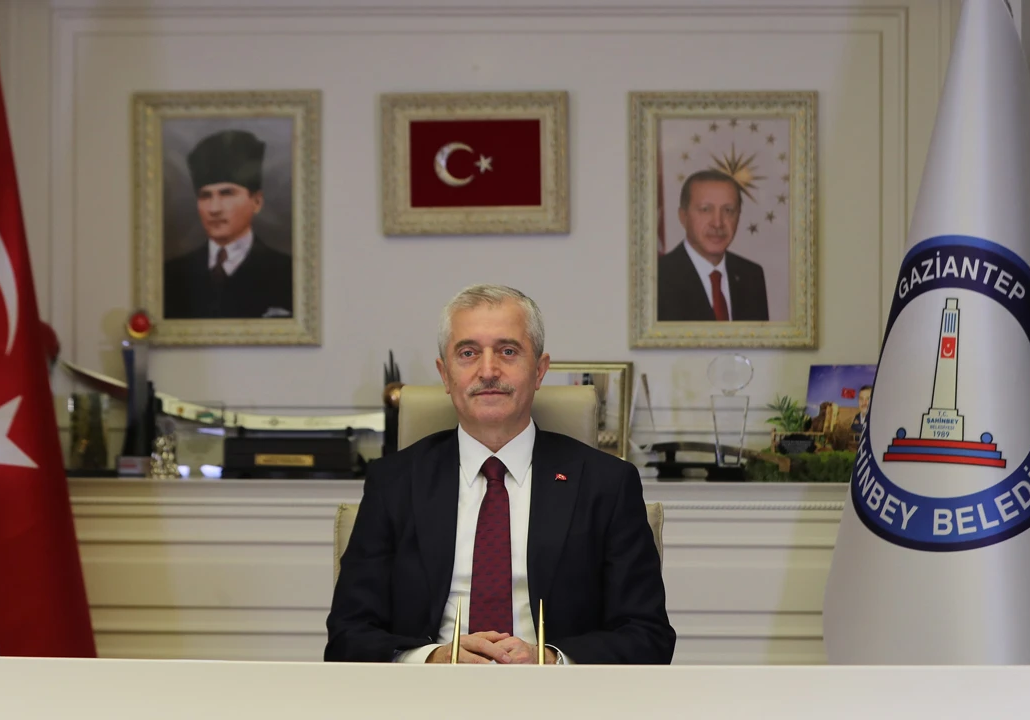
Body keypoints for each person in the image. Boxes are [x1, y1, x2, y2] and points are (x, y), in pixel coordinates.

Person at [325, 284, 675, 664]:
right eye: (468, 353)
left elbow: (648, 635)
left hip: (555, 692)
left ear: (539, 370)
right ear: (445, 375)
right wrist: (432, 658)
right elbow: (348, 635)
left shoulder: (606, 484)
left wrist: (549, 659)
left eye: (508, 351)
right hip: (430, 690)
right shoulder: (393, 483)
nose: (488, 371)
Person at [163, 129, 293, 320]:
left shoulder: (288, 273)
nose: (214, 208)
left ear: (256, 201)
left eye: (227, 193)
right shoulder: (171, 275)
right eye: (205, 196)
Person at [657, 169, 769, 322]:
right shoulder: (657, 278)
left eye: (728, 210)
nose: (718, 223)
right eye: (705, 210)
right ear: (683, 216)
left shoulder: (751, 276)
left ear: (738, 216)